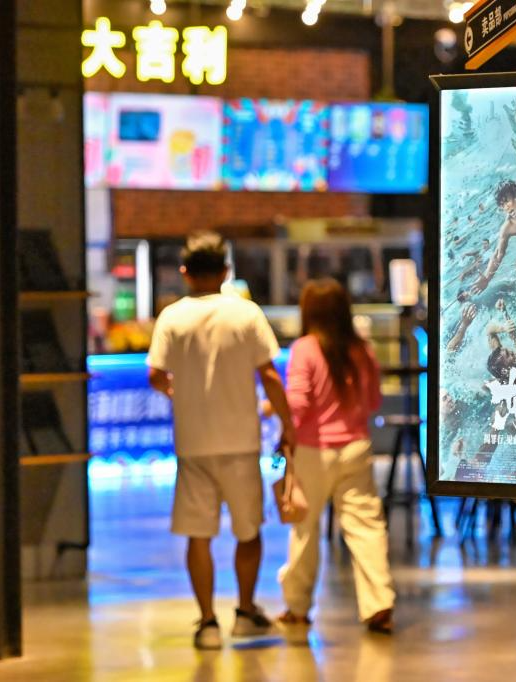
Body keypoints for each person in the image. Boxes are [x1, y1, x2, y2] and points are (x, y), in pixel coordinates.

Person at [147, 230, 296, 650]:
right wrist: (288, 425)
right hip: (241, 441)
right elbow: (269, 375)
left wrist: (181, 395)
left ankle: (208, 623)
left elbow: (155, 375)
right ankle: (245, 613)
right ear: (226, 271)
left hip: (193, 443)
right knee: (248, 531)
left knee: (199, 535)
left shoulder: (172, 317)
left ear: (185, 272)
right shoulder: (245, 314)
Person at [277, 278, 397, 638]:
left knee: (305, 529)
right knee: (366, 527)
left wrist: (279, 421)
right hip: (356, 447)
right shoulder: (362, 349)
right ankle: (378, 604)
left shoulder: (304, 348)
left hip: (313, 451)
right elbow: (373, 400)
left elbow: (298, 403)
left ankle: (297, 607)